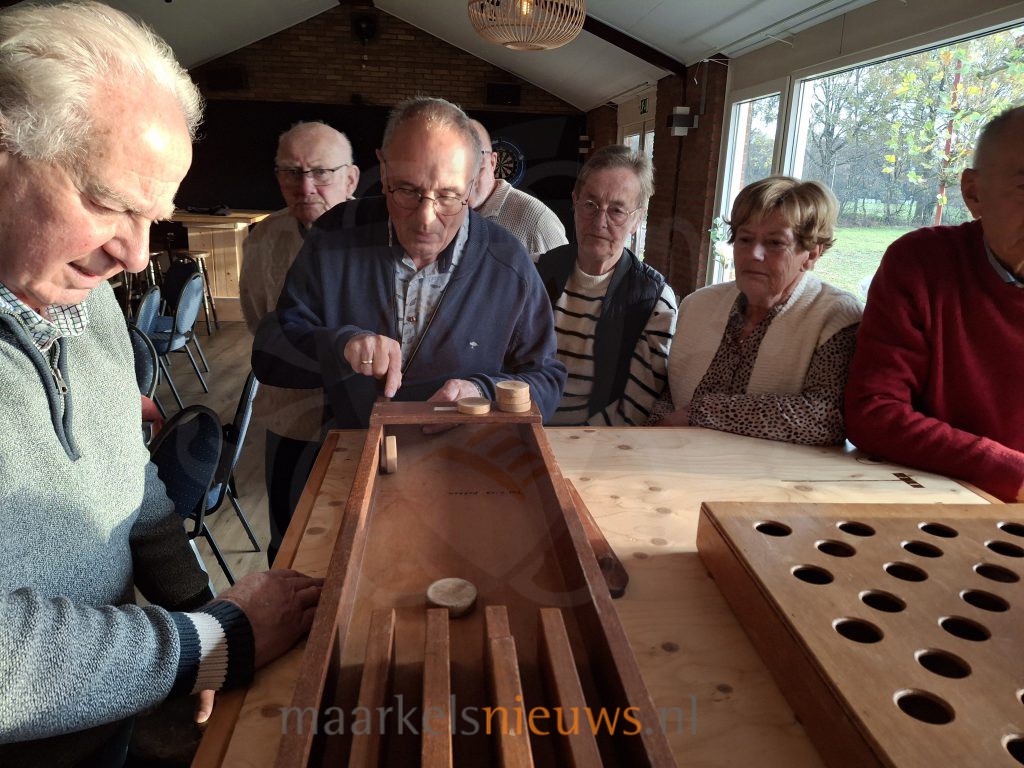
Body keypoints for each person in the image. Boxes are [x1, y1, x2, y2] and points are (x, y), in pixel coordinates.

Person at [0, 3, 320, 765]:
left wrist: (193, 605)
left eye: (155, 217)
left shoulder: (84, 297)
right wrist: (213, 642)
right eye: (109, 204)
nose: (138, 257)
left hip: (103, 729)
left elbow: (132, 486)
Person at [252, 97, 566, 428]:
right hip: (356, 449)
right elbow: (270, 352)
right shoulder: (336, 234)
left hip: (465, 458)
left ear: (473, 185)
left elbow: (547, 378)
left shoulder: (507, 261)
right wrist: (341, 345)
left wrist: (481, 390)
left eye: (447, 196)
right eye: (407, 190)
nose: (425, 220)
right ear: (384, 169)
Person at [845, 106, 1024, 500]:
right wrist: (1008, 470)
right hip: (932, 499)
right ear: (973, 193)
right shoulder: (922, 263)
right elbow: (874, 412)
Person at [660, 176, 862, 445]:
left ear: (812, 254)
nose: (754, 253)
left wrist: (700, 413)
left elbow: (825, 417)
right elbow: (665, 397)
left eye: (775, 243)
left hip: (771, 480)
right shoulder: (698, 305)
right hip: (670, 463)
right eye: (745, 239)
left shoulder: (836, 316)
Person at [238, 121, 359, 564]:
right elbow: (257, 320)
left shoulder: (381, 236)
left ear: (351, 177)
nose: (305, 186)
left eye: (321, 172)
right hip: (290, 415)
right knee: (289, 541)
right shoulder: (264, 239)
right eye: (291, 172)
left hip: (363, 416)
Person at [536, 145, 677, 426]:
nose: (600, 221)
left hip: (595, 448)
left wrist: (572, 449)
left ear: (638, 219)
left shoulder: (654, 301)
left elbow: (632, 411)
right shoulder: (534, 270)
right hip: (521, 430)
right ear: (574, 202)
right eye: (590, 205)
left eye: (617, 211)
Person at [467, 119, 568, 260]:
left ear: (493, 161)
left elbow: (559, 277)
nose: (467, 178)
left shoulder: (538, 221)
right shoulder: (440, 212)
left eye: (478, 166)